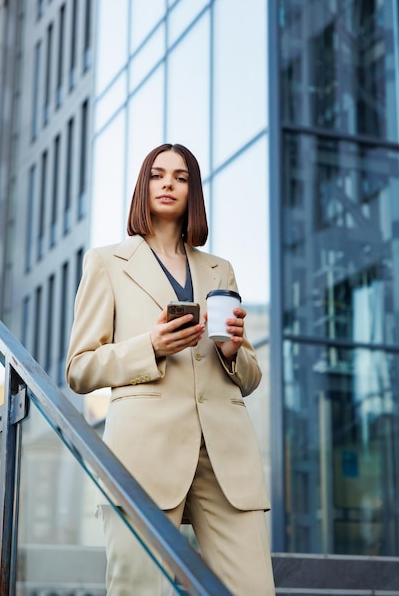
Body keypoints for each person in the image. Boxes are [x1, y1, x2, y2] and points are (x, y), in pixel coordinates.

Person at [66, 143, 275, 596]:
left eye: (180, 177)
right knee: (139, 589)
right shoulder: (107, 263)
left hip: (226, 455)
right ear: (145, 186)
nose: (168, 184)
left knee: (253, 589)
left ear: (192, 192)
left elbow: (252, 376)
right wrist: (151, 347)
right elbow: (79, 369)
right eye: (158, 175)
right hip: (145, 452)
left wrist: (231, 350)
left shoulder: (221, 269)